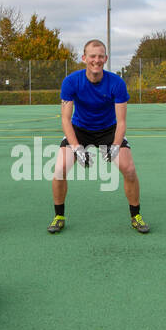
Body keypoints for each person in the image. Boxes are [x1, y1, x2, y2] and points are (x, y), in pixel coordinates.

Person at [48, 40, 149, 234]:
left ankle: (135, 215)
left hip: (109, 130)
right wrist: (77, 148)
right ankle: (59, 216)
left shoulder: (117, 83)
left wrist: (115, 146)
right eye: (92, 56)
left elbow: (121, 122)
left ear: (106, 59)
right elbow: (66, 120)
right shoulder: (71, 81)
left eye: (100, 56)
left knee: (128, 169)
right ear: (84, 58)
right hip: (79, 129)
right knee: (60, 169)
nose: (97, 60)